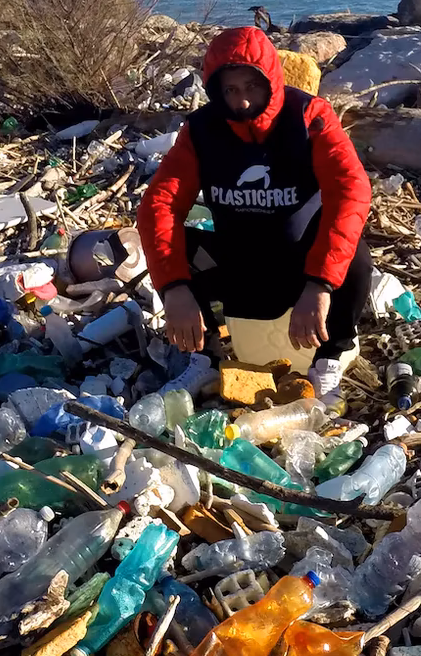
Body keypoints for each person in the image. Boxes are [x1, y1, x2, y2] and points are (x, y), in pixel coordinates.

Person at [137, 25, 373, 404]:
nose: (242, 102)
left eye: (251, 87)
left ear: (271, 81)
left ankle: (331, 356)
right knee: (181, 247)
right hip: (240, 266)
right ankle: (204, 357)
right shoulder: (201, 130)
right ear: (215, 90)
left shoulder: (310, 117)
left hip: (302, 269)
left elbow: (352, 190)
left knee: (356, 254)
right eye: (230, 90)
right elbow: (159, 204)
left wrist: (320, 284)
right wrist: (173, 288)